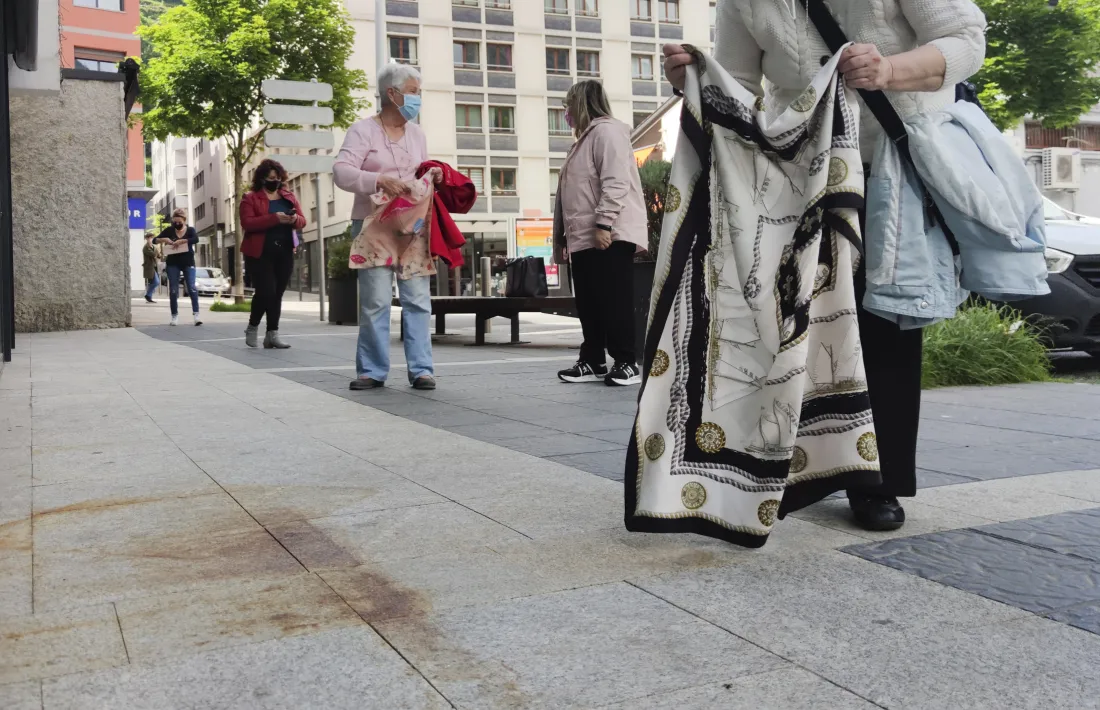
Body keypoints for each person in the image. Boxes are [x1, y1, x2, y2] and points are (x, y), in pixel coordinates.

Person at [662, 0, 986, 530]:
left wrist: (889, 70)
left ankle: (877, 483)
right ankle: (795, 466)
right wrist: (693, 80)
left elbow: (968, 39)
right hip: (799, 174)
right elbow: (740, 88)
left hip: (888, 172)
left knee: (884, 323)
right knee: (796, 323)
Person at [333, 62, 441, 391]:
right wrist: (377, 179)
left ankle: (422, 369)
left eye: (418, 93)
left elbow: (420, 174)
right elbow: (340, 172)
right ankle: (371, 370)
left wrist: (433, 175)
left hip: (413, 226)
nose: (417, 98)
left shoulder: (418, 135)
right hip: (373, 226)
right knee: (376, 301)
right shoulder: (363, 130)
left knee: (418, 299)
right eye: (412, 92)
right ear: (391, 94)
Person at [554, 81, 649, 387]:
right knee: (590, 302)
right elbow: (568, 195)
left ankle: (626, 361)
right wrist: (562, 239)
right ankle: (592, 359)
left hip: (606, 233)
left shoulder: (607, 133)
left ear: (581, 103)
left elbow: (616, 181)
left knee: (614, 299)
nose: (566, 112)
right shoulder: (584, 140)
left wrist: (604, 223)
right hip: (582, 235)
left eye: (568, 104)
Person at [239, 159, 306, 349]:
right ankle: (252, 327)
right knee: (266, 291)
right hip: (259, 253)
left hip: (284, 251)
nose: (273, 181)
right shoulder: (250, 198)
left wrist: (294, 219)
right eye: (270, 178)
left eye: (276, 178)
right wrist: (274, 218)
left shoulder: (288, 197)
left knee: (277, 294)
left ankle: (272, 334)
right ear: (261, 179)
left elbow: (302, 221)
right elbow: (248, 223)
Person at [155, 208, 202, 326]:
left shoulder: (190, 230)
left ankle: (196, 315)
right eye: (175, 222)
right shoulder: (169, 230)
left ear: (184, 220)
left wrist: (183, 241)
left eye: (179, 222)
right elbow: (155, 240)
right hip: (173, 263)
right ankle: (174, 316)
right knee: (174, 290)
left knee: (191, 287)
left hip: (188, 262)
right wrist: (163, 239)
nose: (177, 224)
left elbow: (196, 239)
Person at [142, 232, 160, 304]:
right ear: (146, 239)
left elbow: (158, 255)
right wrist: (156, 254)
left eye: (152, 238)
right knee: (156, 282)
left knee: (153, 282)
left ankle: (149, 296)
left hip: (154, 266)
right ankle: (148, 295)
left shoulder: (154, 247)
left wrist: (157, 255)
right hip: (149, 267)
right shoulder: (146, 247)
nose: (150, 239)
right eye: (149, 238)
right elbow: (153, 254)